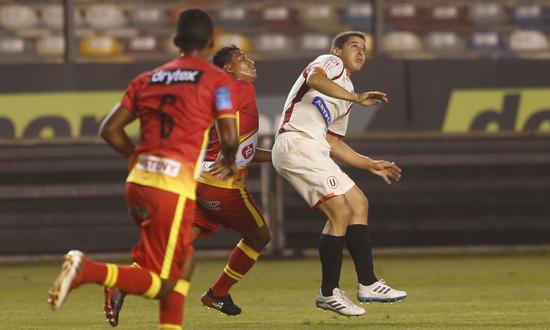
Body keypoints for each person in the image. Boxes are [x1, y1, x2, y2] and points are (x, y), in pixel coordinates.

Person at [47, 9, 239, 330]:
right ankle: (89, 271)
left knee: (185, 259)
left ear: (176, 41)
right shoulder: (217, 80)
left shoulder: (147, 78)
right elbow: (230, 137)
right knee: (162, 282)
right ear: (211, 41)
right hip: (171, 189)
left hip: (137, 183)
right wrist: (230, 160)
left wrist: (138, 158)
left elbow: (109, 130)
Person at [103, 45, 272, 326]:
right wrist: (227, 153)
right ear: (228, 69)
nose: (250, 61)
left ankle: (120, 282)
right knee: (259, 237)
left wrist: (277, 156)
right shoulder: (238, 87)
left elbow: (244, 148)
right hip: (221, 184)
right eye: (242, 58)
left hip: (197, 180)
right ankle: (217, 294)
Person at [271, 31, 407, 317]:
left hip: (316, 147)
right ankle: (328, 292)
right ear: (337, 50)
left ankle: (368, 283)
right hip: (296, 142)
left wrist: (369, 163)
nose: (361, 52)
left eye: (365, 49)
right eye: (354, 46)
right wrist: (356, 97)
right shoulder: (331, 65)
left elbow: (334, 142)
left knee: (358, 203)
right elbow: (314, 79)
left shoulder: (346, 94)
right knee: (340, 211)